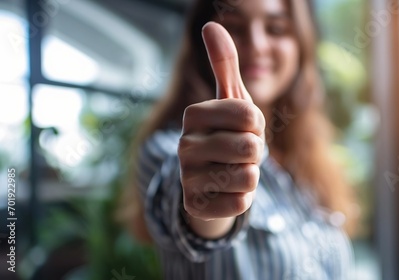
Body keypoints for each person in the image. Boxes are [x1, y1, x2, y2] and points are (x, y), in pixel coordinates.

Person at [125, 0, 358, 279]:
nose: (257, 44)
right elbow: (190, 201)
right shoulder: (169, 150)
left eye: (276, 28)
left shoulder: (307, 163)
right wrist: (208, 196)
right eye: (234, 27)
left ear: (300, 46)